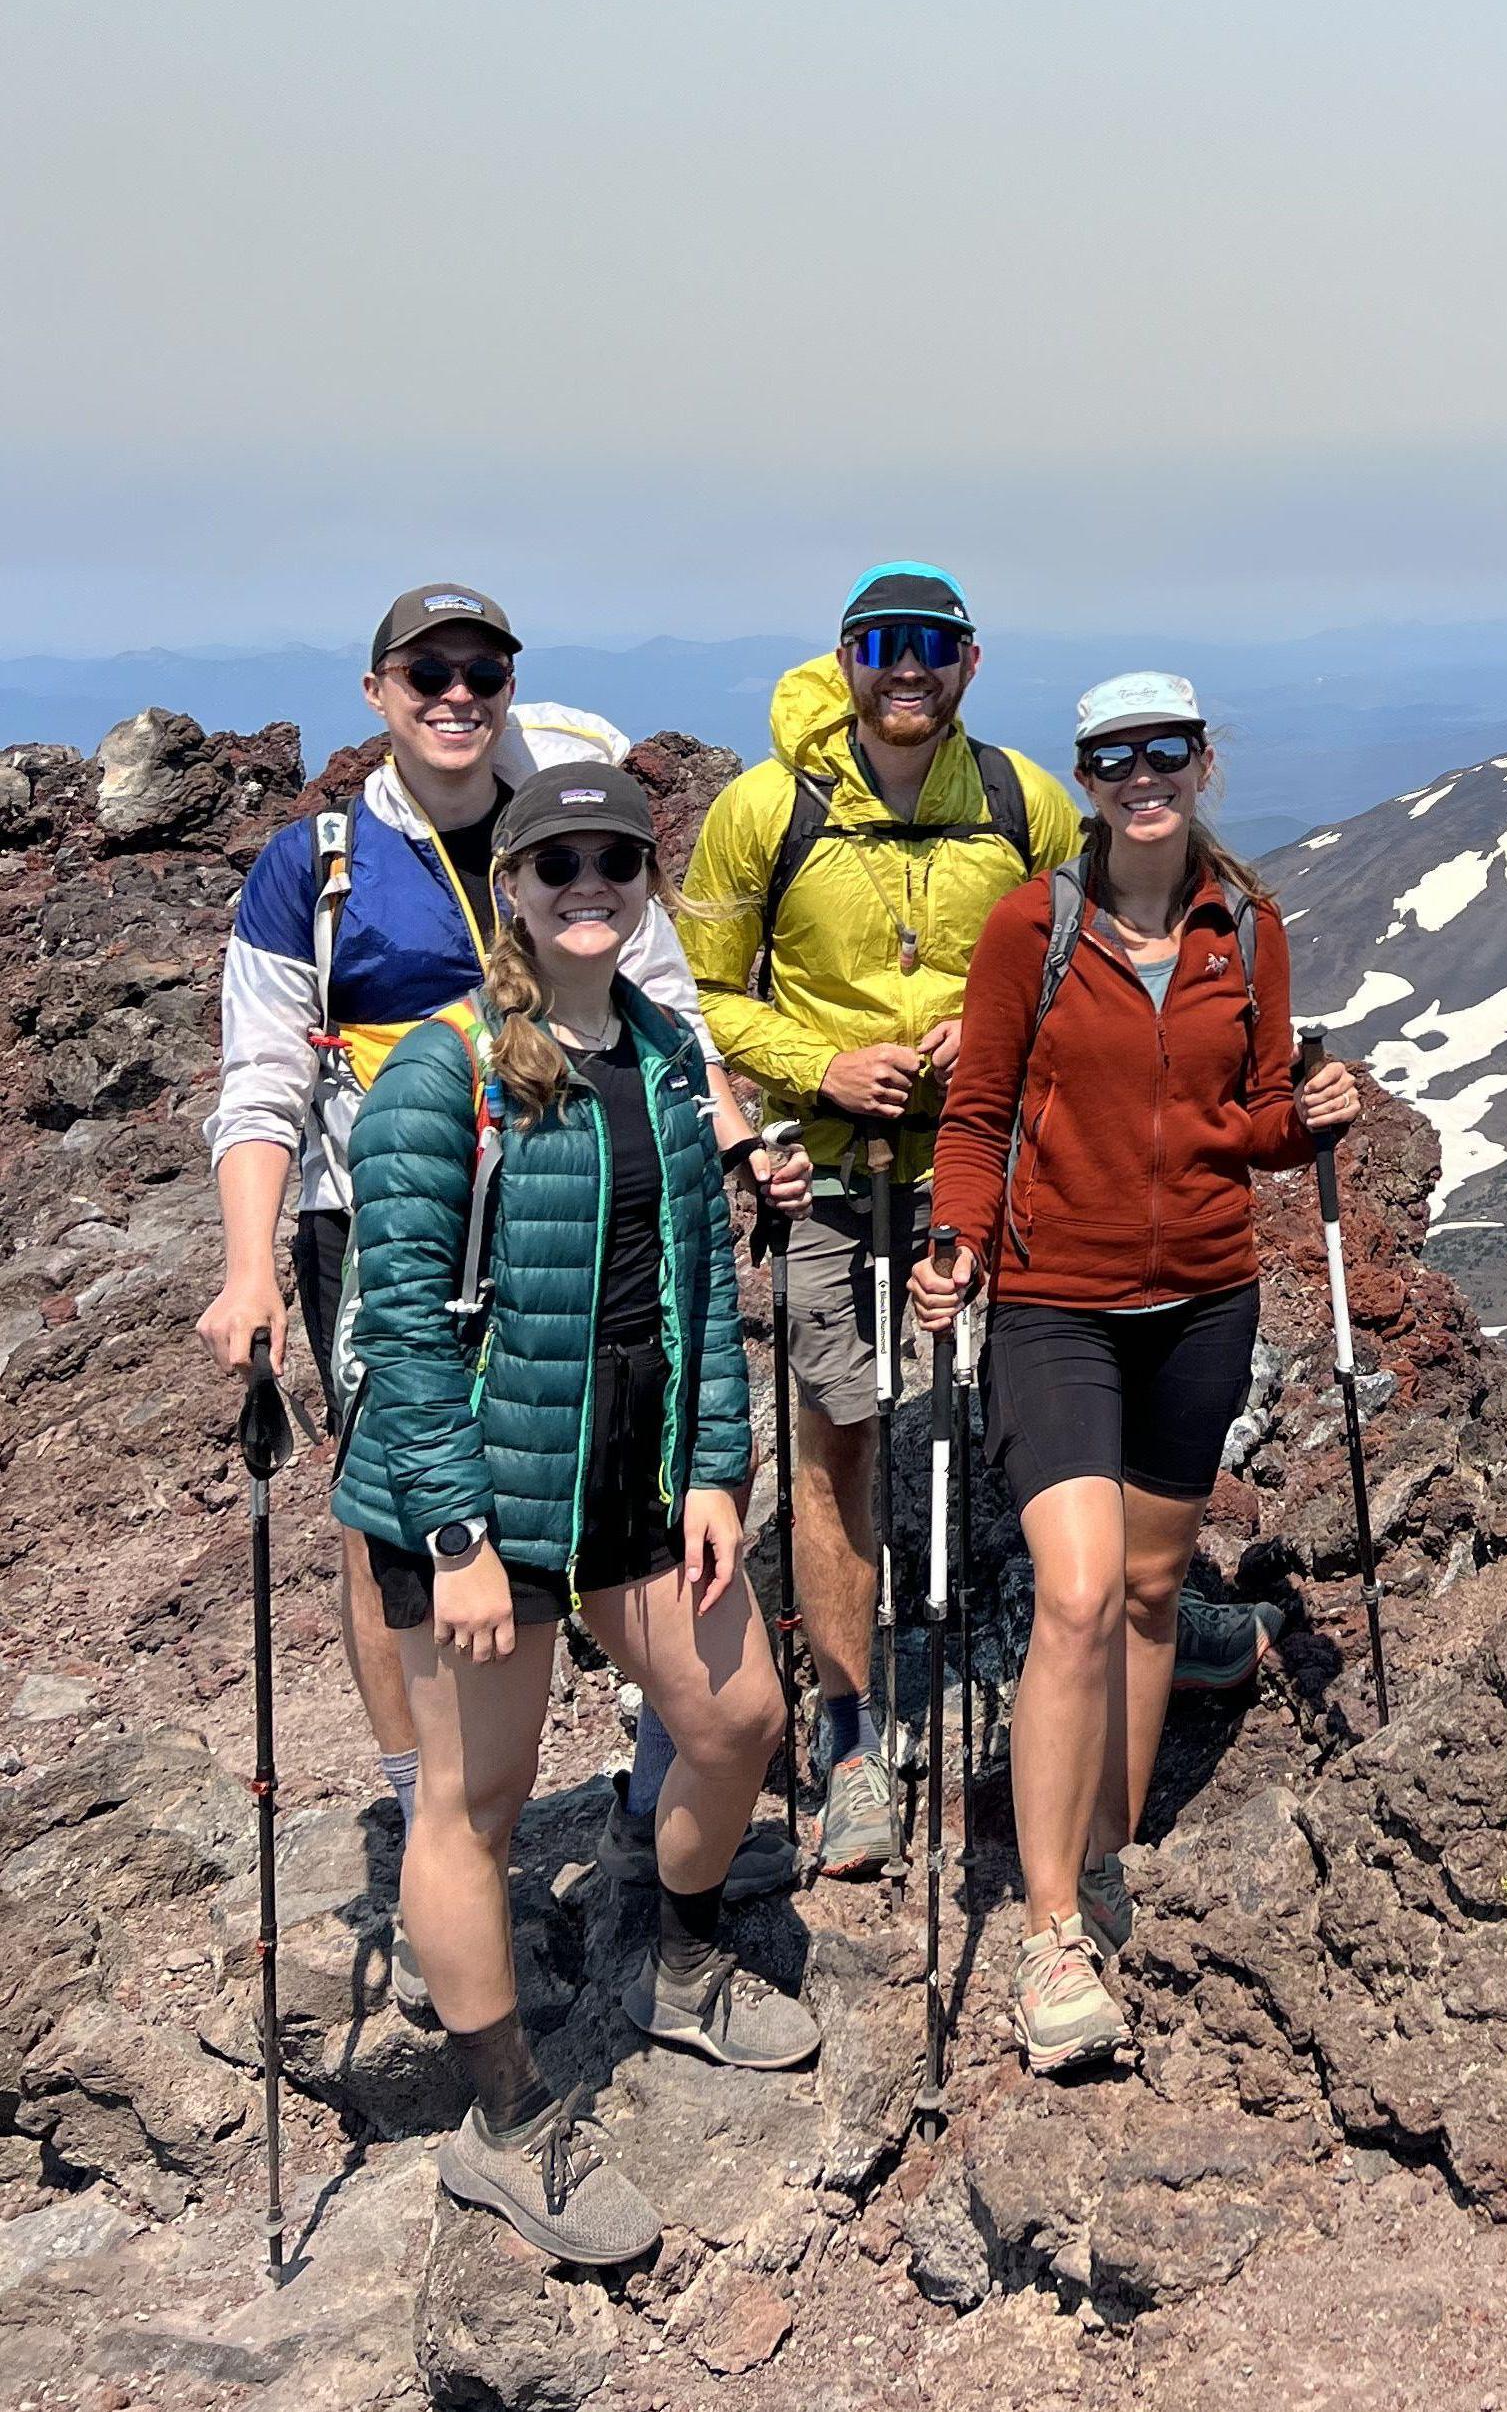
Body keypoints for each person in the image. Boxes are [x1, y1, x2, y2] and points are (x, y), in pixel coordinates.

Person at [197, 584, 806, 2003]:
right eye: (429, 669)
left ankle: (612, 1801)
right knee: (401, 1521)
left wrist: (729, 1144)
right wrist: (248, 1264)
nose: (457, 690)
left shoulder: (554, 819)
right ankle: (439, 1818)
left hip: (588, 1208)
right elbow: (265, 1074)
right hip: (393, 1212)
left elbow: (662, 1025)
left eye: (483, 668)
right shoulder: (329, 863)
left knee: (606, 1462)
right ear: (378, 690)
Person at [680, 569, 1283, 1880]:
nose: (911, 669)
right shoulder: (761, 812)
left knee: (1071, 1388)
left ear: (970, 660)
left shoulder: (1019, 802)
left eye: (935, 647)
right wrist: (819, 1062)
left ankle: (1145, 1622)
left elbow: (1108, 925)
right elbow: (697, 993)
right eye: (887, 646)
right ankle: (851, 1735)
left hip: (1006, 1167)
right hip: (834, 1165)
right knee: (838, 1428)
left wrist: (993, 1025)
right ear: (845, 658)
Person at [336, 763, 819, 2265]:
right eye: (560, 864)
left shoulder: (670, 1057)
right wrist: (459, 1538)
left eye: (617, 859)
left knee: (737, 1713)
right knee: (471, 1806)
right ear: (515, 893)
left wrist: (715, 1469)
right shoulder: (445, 1069)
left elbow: (699, 1294)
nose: (589, 884)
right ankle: (508, 2124)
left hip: (632, 1472)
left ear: (644, 881)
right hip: (475, 1495)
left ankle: (676, 1964)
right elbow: (401, 1328)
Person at [914, 670, 1357, 2075]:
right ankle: (1050, 1932)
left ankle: (1107, 1857)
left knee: (1158, 1588)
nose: (1144, 775)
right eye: (1116, 757)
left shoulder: (1249, 924)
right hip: (1058, 1305)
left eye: (1167, 750)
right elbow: (979, 1111)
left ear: (1203, 762)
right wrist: (956, 1241)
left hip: (1204, 1302)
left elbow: (1255, 1114)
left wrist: (1313, 1114)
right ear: (1090, 776)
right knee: (1082, 1588)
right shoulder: (1031, 929)